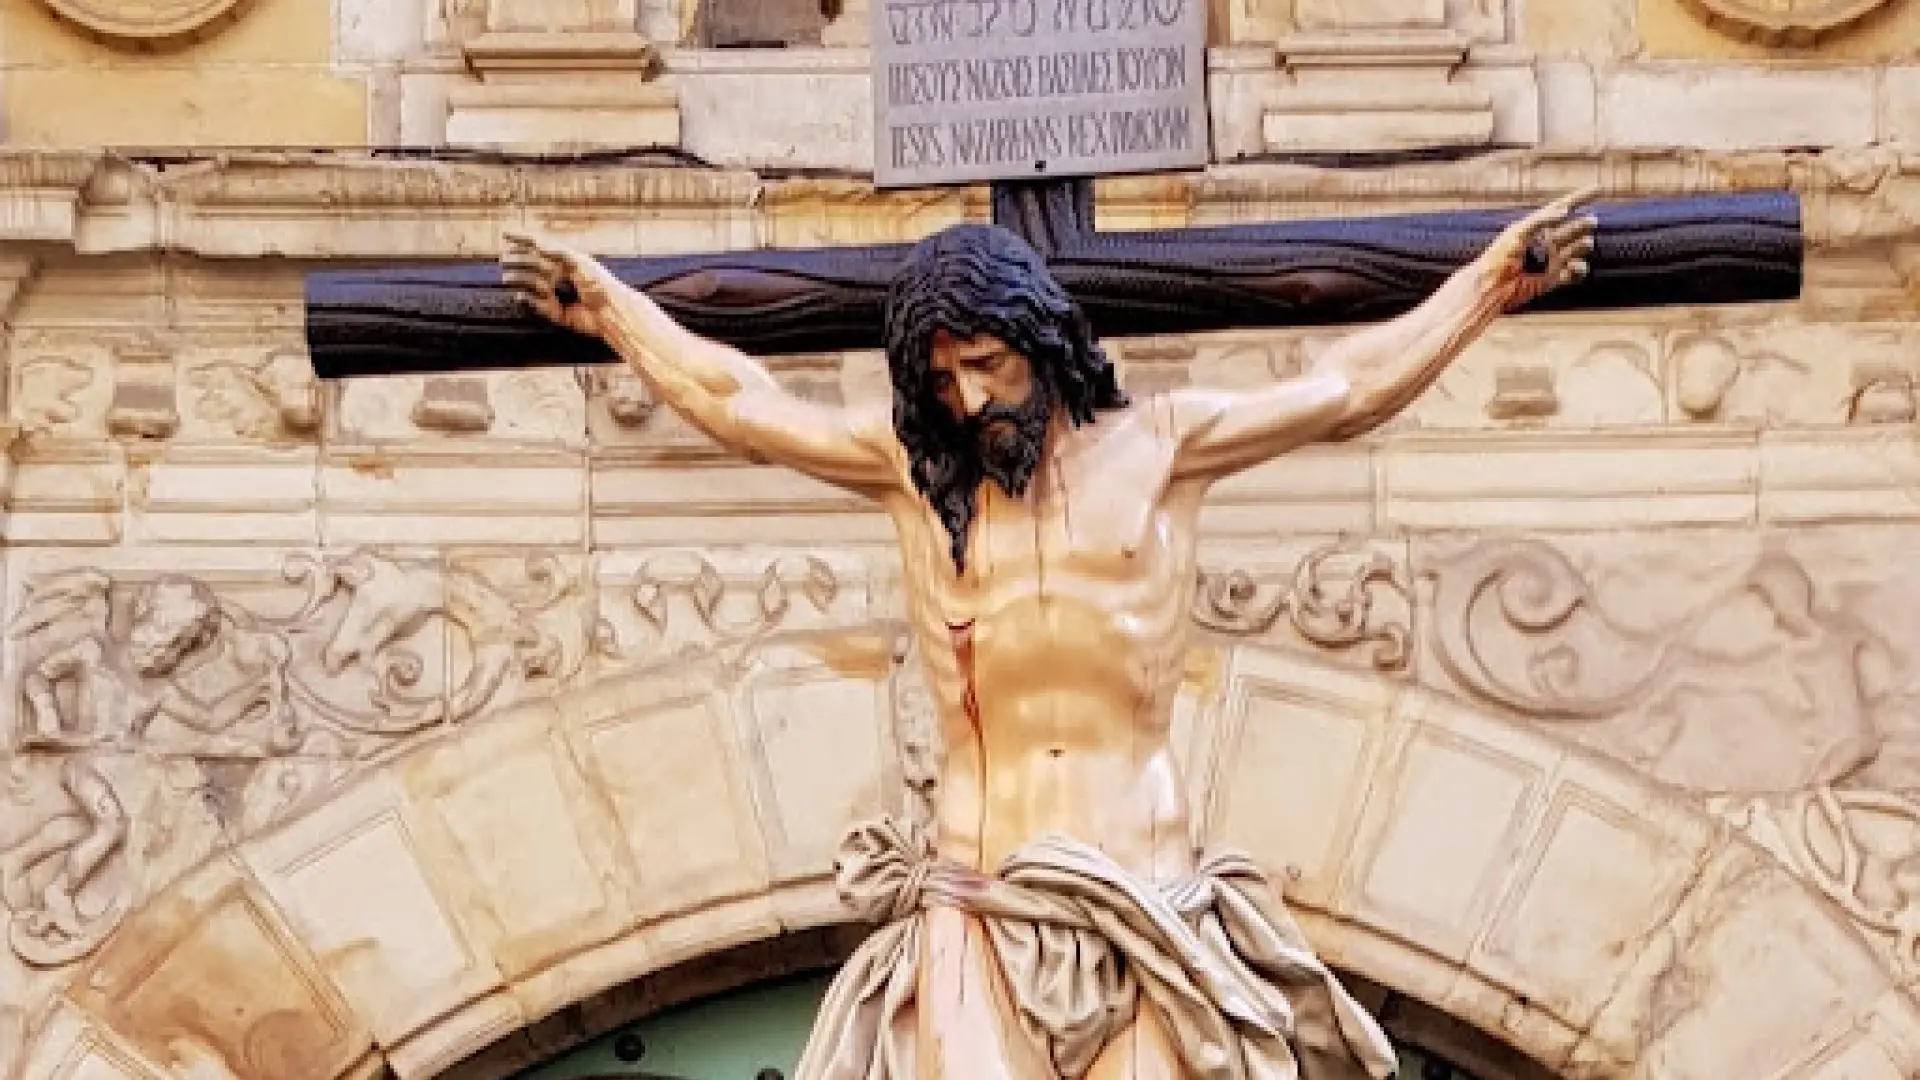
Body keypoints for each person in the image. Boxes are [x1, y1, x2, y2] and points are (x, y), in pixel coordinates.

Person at [503, 188, 1598, 1080]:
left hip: (1143, 903)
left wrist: (1489, 286)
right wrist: (610, 311)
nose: (972, 399)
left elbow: (1346, 387)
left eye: (987, 362)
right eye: (942, 380)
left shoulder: (1166, 445)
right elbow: (736, 400)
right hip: (983, 900)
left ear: (1039, 336)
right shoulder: (908, 472)